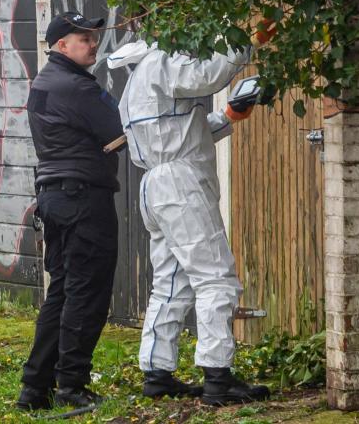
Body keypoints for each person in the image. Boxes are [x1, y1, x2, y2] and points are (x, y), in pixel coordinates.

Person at [106, 27, 274, 405]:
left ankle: (157, 371)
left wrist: (229, 115)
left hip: (155, 185)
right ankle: (218, 376)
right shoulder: (161, 63)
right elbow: (210, 74)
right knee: (215, 278)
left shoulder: (133, 87)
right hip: (180, 185)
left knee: (170, 281)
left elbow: (178, 133)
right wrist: (251, 37)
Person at [17, 12, 124, 412]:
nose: (93, 44)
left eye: (94, 36)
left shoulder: (47, 81)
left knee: (62, 291)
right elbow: (119, 129)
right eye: (84, 38)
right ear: (62, 45)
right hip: (82, 199)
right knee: (87, 291)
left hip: (57, 196)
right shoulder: (75, 86)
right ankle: (72, 386)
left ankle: (35, 388)